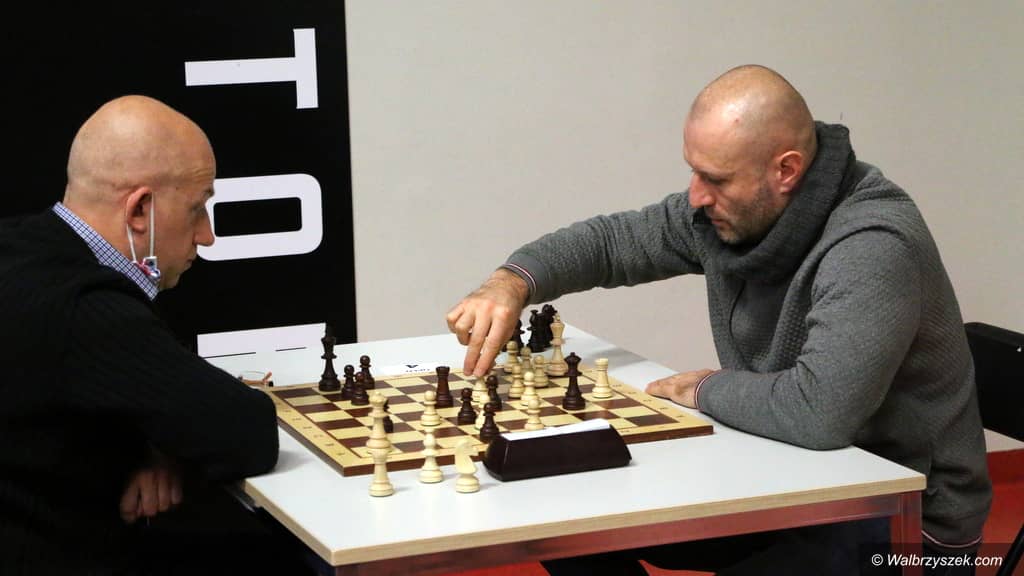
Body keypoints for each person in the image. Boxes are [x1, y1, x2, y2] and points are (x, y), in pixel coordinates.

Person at [446, 65, 991, 575]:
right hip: (789, 474)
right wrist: (510, 282)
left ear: (786, 170)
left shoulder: (872, 245)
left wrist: (706, 388)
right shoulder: (735, 212)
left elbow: (819, 415)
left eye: (716, 178)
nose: (696, 195)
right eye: (693, 171)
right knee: (565, 521)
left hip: (904, 524)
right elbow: (611, 242)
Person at [0, 96, 285, 575]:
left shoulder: (17, 245)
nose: (207, 235)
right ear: (139, 210)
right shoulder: (85, 309)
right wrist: (176, 446)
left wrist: (152, 447)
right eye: (197, 208)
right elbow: (247, 432)